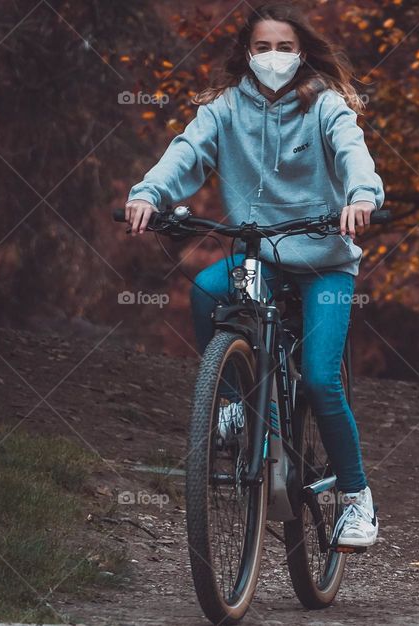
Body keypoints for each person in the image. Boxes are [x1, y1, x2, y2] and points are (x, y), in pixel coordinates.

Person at [124, 2, 384, 549]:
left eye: (285, 47)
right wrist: (150, 193)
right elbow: (185, 154)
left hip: (324, 265)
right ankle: (242, 404)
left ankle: (357, 500)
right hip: (258, 260)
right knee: (208, 291)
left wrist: (361, 195)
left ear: (302, 52)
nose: (273, 58)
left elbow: (353, 152)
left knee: (319, 376)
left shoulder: (326, 106)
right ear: (247, 54)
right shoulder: (223, 108)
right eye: (262, 47)